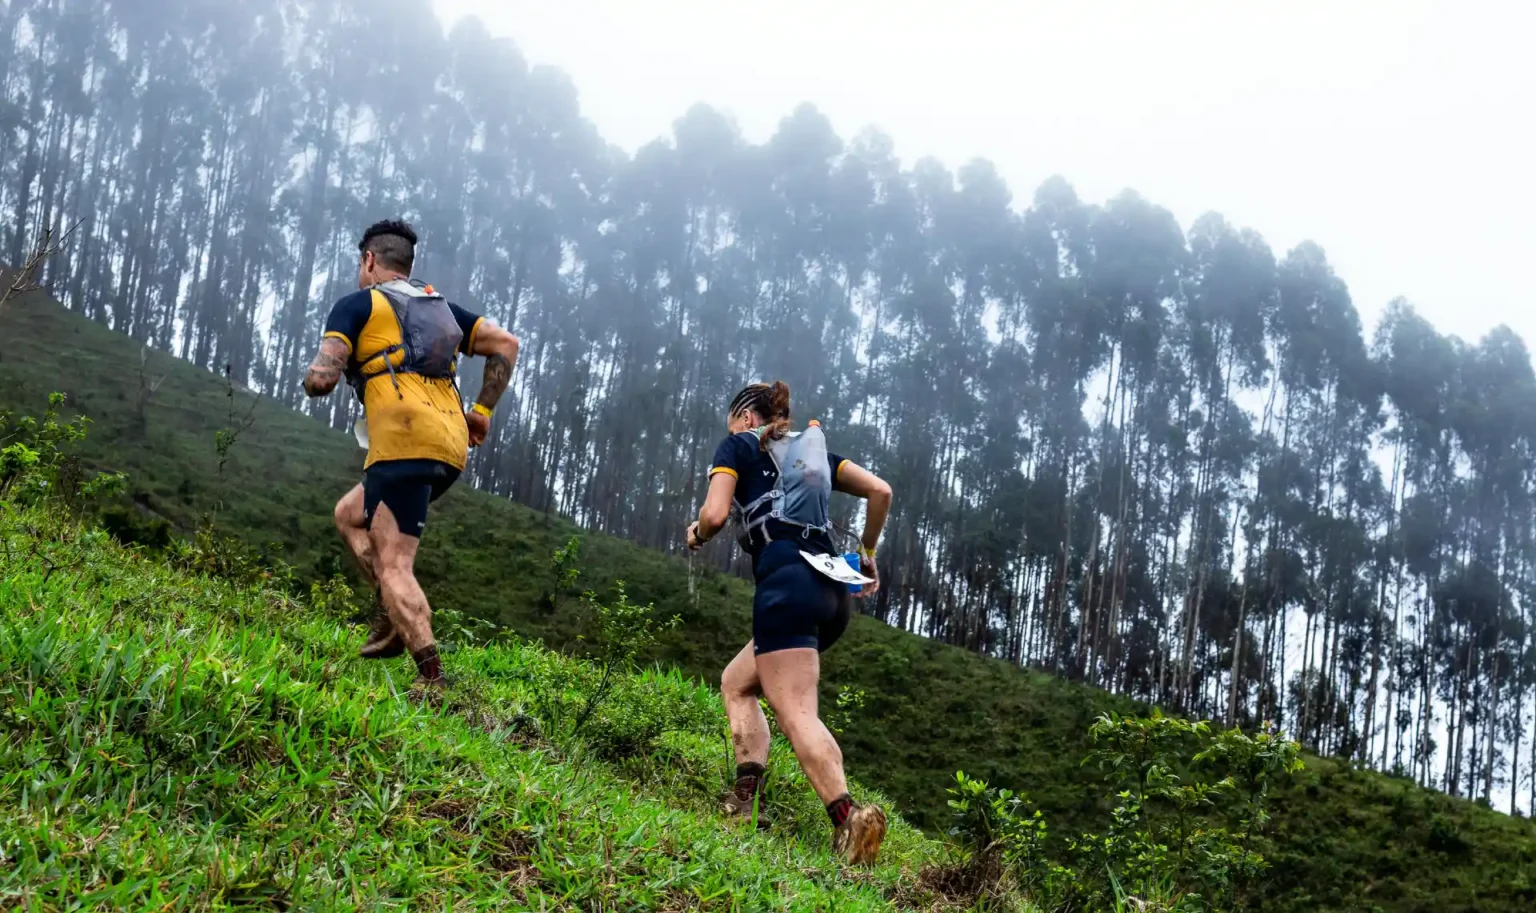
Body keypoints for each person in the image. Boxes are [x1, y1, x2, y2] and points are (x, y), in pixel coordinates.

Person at [302, 219, 520, 692]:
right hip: (448, 446)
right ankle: (389, 608)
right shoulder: (438, 307)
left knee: (395, 562)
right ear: (408, 264)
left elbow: (322, 379)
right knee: (348, 514)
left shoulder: (358, 304)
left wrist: (316, 374)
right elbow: (506, 343)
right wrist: (481, 412)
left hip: (402, 441)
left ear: (369, 261)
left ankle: (431, 677)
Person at [686, 381, 893, 865]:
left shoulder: (737, 445)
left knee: (796, 710)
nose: (734, 431)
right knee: (737, 683)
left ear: (747, 418)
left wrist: (696, 532)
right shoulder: (815, 456)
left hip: (786, 586)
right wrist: (867, 553)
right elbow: (880, 491)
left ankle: (849, 820)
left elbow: (716, 515)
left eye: (735, 423)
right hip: (831, 591)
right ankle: (744, 801)